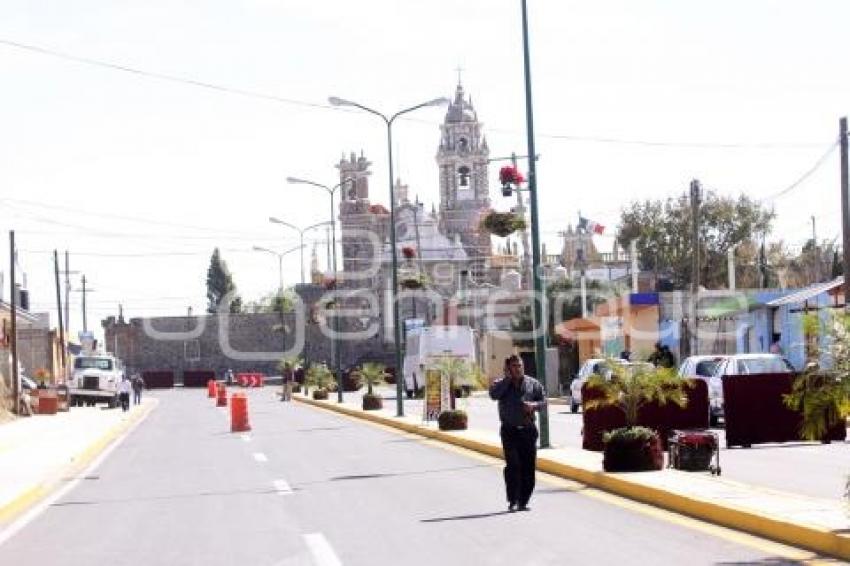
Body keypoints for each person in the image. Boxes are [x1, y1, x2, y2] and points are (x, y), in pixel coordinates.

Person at [488, 355, 547, 512]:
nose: (518, 368)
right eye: (514, 366)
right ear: (508, 368)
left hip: (528, 431)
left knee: (528, 468)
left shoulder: (533, 384)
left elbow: (544, 402)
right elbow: (493, 395)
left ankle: (523, 501)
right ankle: (513, 499)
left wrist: (534, 405)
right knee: (513, 466)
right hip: (509, 431)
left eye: (519, 365)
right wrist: (507, 380)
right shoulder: (500, 384)